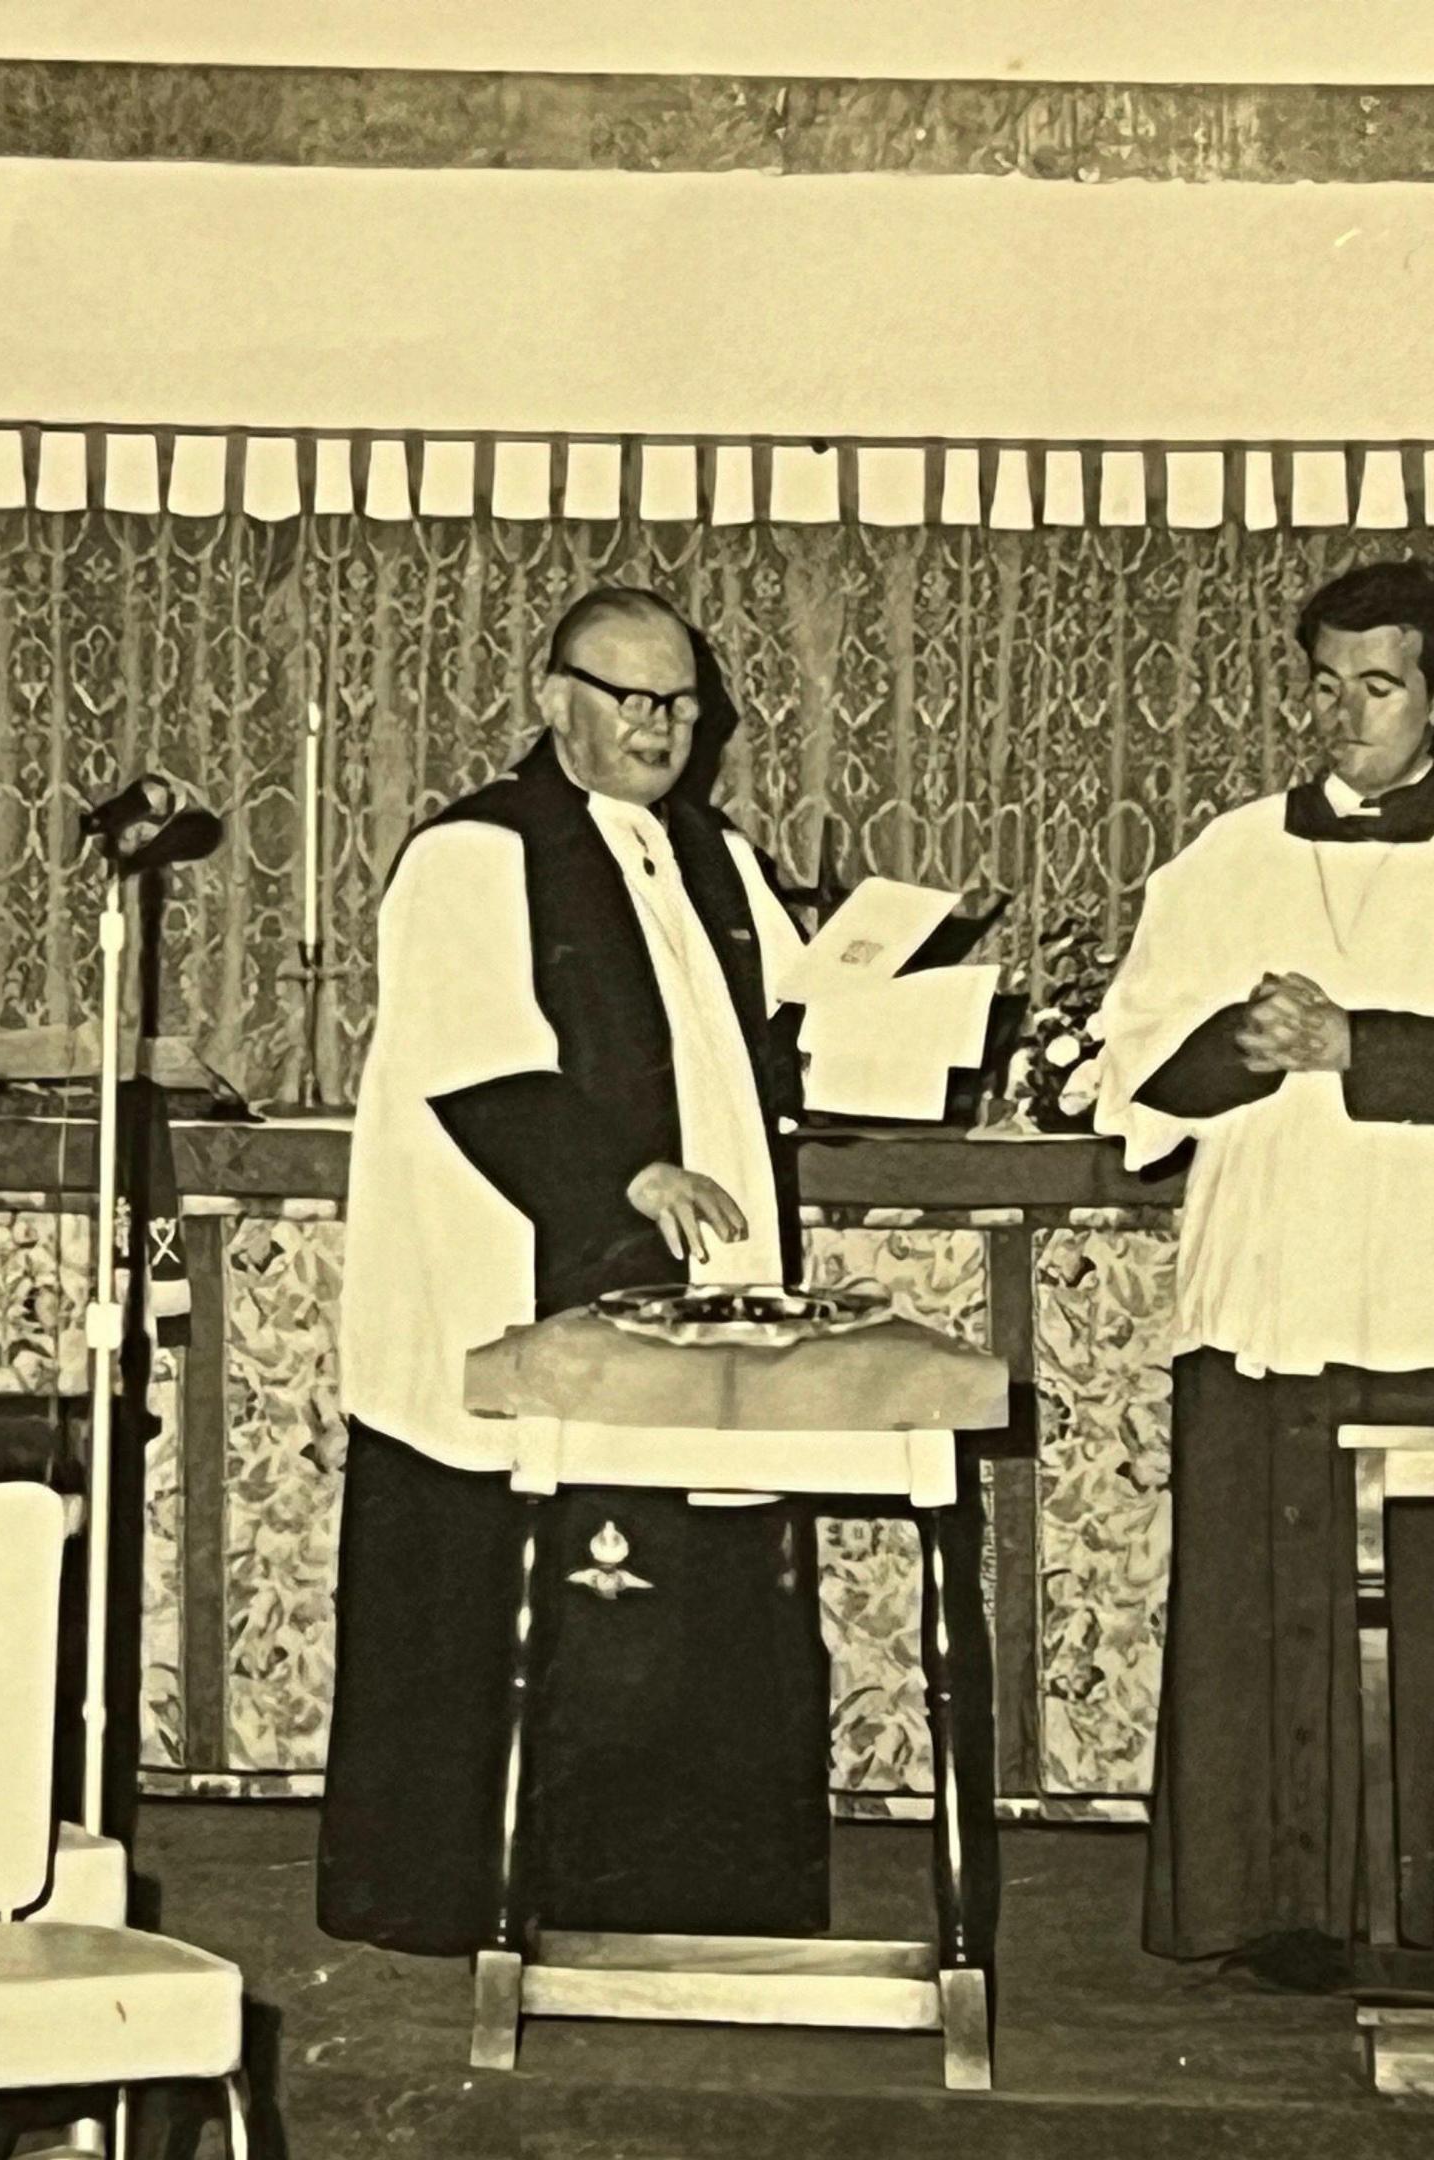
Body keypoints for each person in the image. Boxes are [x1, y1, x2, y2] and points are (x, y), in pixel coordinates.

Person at [1091, 556, 1434, 1974]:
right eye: (1324, 684)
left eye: (1379, 687)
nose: (1343, 715)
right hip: (1268, 1291)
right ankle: (1273, 1907)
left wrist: (1360, 1046)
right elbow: (1132, 1073)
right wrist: (1238, 1042)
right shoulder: (1224, 857)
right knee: (1263, 1615)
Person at [318, 585, 836, 1957]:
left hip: (695, 1274)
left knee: (691, 1580)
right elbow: (474, 1063)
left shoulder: (711, 855)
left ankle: (682, 1902)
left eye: (682, 704)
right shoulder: (477, 854)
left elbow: (791, 1027)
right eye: (632, 699)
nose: (664, 728)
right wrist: (627, 1179)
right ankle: (474, 1901)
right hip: (525, 1265)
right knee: (514, 1589)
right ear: (555, 700)